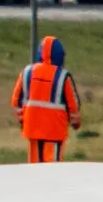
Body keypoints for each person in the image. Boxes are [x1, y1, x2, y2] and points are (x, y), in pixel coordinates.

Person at [12, 35, 82, 163]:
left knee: (34, 169)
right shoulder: (63, 76)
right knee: (52, 170)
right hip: (54, 132)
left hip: (32, 130)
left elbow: (16, 100)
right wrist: (76, 123)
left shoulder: (27, 72)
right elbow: (74, 106)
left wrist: (22, 119)